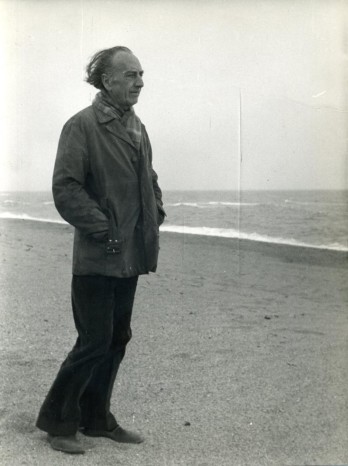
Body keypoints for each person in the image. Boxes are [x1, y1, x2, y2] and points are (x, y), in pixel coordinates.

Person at [36, 46, 166, 455]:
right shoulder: (82, 125)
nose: (140, 82)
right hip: (97, 254)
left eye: (141, 74)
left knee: (118, 337)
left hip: (129, 255)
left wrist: (156, 210)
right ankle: (58, 423)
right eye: (130, 75)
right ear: (107, 81)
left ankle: (96, 419)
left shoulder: (138, 127)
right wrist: (102, 227)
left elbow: (149, 175)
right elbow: (66, 187)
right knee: (94, 339)